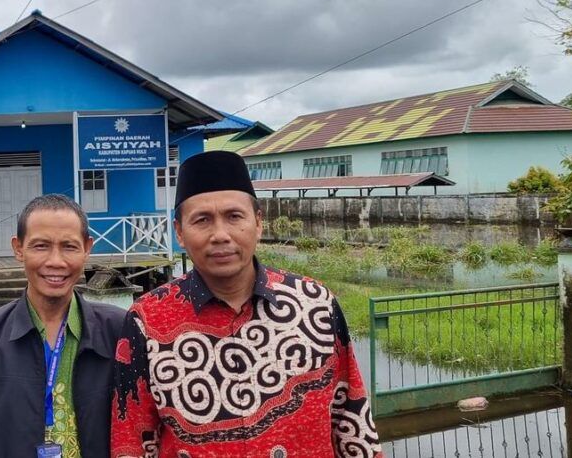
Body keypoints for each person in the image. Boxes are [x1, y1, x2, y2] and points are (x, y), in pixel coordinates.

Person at [110, 151, 382, 457]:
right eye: (202, 220)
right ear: (179, 232)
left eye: (234, 216)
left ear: (258, 223)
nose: (220, 235)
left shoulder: (315, 304)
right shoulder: (146, 320)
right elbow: (131, 439)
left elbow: (351, 420)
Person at [0, 194, 126, 458]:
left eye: (69, 246)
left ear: (87, 248)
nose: (56, 261)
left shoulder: (118, 330)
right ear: (18, 248)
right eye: (41, 246)